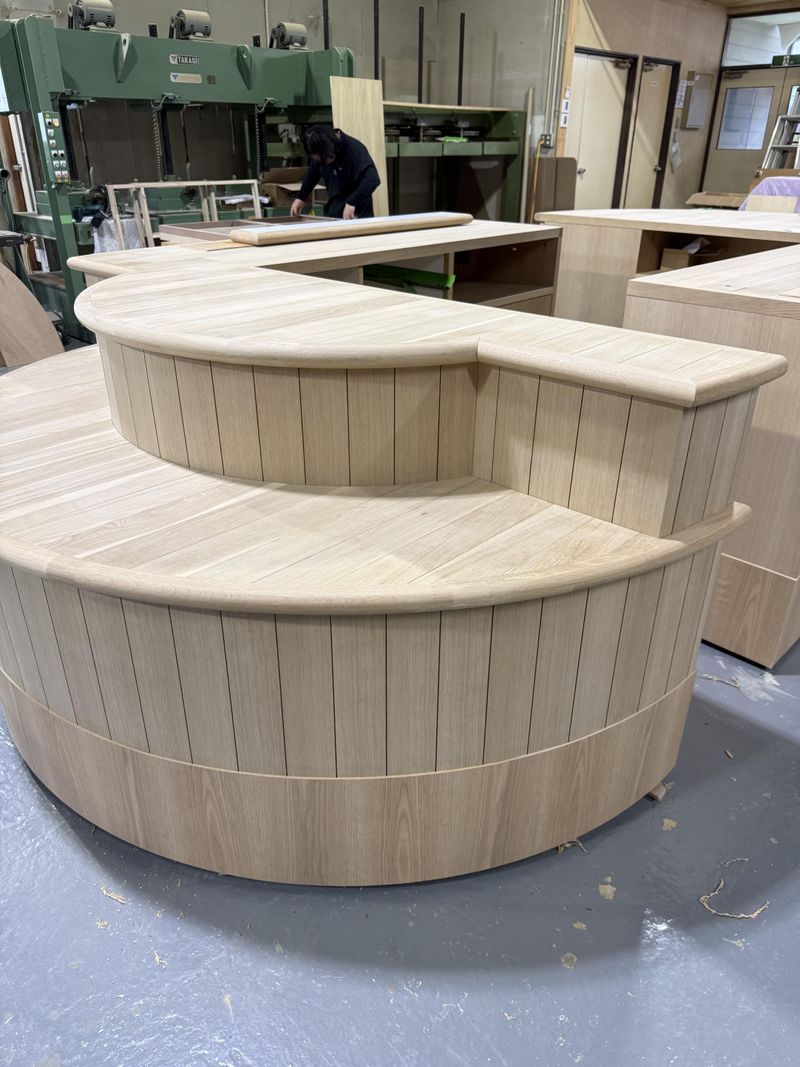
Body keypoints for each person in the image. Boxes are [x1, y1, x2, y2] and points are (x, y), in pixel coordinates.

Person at [291, 125, 381, 220]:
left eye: (324, 159)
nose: (323, 162)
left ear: (330, 149)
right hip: (335, 210)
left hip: (357, 212)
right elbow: (313, 173)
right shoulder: (320, 150)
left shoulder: (354, 150)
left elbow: (372, 179)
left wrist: (352, 202)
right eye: (318, 159)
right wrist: (301, 197)